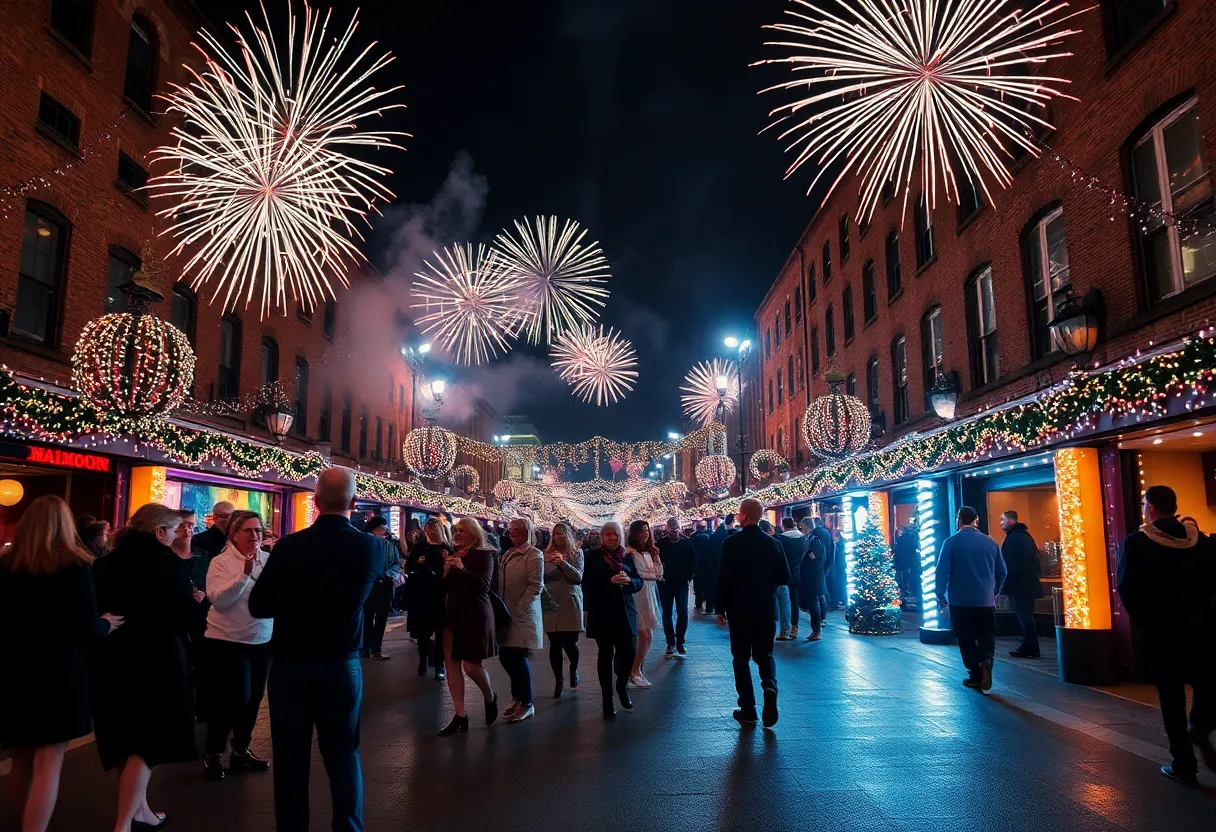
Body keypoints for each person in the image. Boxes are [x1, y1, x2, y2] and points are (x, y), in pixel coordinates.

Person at [247, 468, 383, 832]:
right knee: (343, 756)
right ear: (354, 504)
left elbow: (258, 605)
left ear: (316, 502)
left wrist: (290, 603)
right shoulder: (371, 547)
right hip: (341, 664)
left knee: (290, 760)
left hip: (290, 665)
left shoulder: (290, 546)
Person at [0, 496, 122, 832]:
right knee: (49, 766)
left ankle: (22, 821)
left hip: (14, 672)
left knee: (20, 762)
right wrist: (106, 624)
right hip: (60, 672)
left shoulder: (7, 565)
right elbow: (85, 627)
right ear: (66, 525)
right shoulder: (75, 565)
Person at [91, 503, 199, 832]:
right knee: (148, 743)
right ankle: (124, 823)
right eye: (174, 529)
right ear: (159, 531)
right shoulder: (168, 564)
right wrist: (194, 604)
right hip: (158, 661)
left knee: (125, 737)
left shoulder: (106, 563)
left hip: (111, 660)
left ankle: (141, 810)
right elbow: (182, 617)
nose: (178, 534)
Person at [1117, 485, 1216, 784]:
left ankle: (1183, 763)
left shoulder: (1137, 543)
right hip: (1203, 629)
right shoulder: (1202, 543)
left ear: (1150, 507)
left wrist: (1148, 621)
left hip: (1162, 633)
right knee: (1209, 684)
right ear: (1174, 506)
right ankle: (1200, 725)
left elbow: (1127, 588)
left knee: (1171, 698)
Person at [201, 510, 273, 782]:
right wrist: (243, 576)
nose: (254, 535)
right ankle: (214, 750)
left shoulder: (268, 560)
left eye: (258, 530)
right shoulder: (220, 562)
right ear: (233, 533)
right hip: (227, 640)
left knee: (254, 698)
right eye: (248, 530)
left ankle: (241, 749)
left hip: (260, 638)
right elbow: (218, 599)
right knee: (233, 697)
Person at [717, 498, 789, 728]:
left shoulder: (731, 543)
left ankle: (748, 708)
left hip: (739, 609)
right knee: (765, 654)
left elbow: (724, 578)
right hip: (766, 608)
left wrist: (720, 607)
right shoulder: (773, 543)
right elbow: (784, 577)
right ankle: (769, 685)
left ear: (745, 515)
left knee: (741, 658)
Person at [437, 517, 501, 735]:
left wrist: (462, 568)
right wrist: (445, 571)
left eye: (461, 531)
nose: (456, 534)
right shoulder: (454, 555)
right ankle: (460, 714)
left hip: (474, 616)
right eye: (455, 531)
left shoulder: (485, 554)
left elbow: (482, 586)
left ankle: (490, 695)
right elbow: (445, 587)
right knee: (452, 664)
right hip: (451, 616)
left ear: (474, 534)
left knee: (471, 667)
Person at [935, 506, 1007, 694]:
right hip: (985, 600)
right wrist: (995, 591)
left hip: (960, 600)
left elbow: (942, 571)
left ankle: (975, 674)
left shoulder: (951, 542)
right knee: (986, 634)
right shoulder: (991, 543)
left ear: (959, 520)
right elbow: (1002, 572)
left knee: (965, 637)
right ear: (976, 521)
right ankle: (987, 661)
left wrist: (940, 594)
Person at [583, 521, 643, 719]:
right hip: (603, 612)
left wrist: (629, 582)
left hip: (625, 611)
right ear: (602, 537)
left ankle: (621, 685)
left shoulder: (626, 556)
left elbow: (638, 581)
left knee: (629, 650)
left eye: (615, 534)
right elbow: (587, 585)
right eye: (608, 534)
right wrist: (609, 582)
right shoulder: (592, 556)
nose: (612, 538)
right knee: (605, 654)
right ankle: (607, 700)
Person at [496, 517, 544, 723]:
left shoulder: (534, 555)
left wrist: (520, 608)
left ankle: (527, 703)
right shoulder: (507, 553)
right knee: (506, 656)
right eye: (510, 528)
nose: (512, 532)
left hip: (521, 616)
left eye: (517, 529)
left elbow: (536, 585)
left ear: (527, 532)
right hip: (506, 613)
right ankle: (518, 697)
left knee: (516, 657)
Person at [405, 517, 452, 680]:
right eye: (428, 529)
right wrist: (418, 565)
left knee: (440, 633)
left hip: (439, 595)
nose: (430, 532)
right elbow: (409, 567)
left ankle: (439, 664)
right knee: (423, 632)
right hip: (422, 595)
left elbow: (449, 572)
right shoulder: (420, 547)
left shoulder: (445, 548)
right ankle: (423, 660)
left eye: (433, 529)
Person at [543, 522, 584, 698]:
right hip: (551, 601)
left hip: (570, 601)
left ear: (567, 535)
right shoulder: (544, 555)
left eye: (561, 533)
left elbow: (578, 577)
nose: (558, 537)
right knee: (555, 644)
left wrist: (563, 563)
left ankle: (573, 668)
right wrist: (551, 563)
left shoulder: (577, 553)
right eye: (555, 534)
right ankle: (558, 680)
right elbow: (542, 576)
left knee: (570, 643)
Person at [998, 510, 1044, 659]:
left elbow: (1012, 566)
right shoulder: (1025, 537)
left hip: (1020, 587)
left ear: (1011, 521)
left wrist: (1007, 586)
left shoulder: (1014, 539)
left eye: (1002, 520)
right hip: (1028, 585)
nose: (1000, 523)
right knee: (1026, 615)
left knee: (1024, 616)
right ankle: (1029, 645)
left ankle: (1030, 646)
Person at [625, 519, 663, 688]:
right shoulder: (630, 553)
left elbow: (658, 573)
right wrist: (652, 572)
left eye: (646, 531)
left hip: (649, 593)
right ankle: (633, 671)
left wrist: (656, 559)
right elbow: (642, 572)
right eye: (641, 531)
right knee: (644, 635)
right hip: (638, 594)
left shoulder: (650, 552)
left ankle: (637, 670)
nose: (644, 534)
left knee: (648, 635)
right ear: (634, 533)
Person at [361, 516, 403, 661]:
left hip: (384, 585)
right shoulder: (364, 544)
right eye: (380, 528)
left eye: (384, 527)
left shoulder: (390, 545)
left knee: (381, 618)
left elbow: (397, 563)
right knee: (367, 618)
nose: (383, 530)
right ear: (372, 530)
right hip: (368, 585)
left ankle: (376, 649)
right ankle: (365, 648)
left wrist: (388, 575)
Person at [657, 517, 696, 657]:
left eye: (676, 528)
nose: (674, 531)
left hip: (681, 583)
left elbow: (693, 560)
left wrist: (689, 576)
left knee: (682, 612)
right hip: (665, 583)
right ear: (667, 528)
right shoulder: (661, 544)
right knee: (667, 613)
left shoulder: (686, 543)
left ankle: (679, 641)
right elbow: (656, 562)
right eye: (671, 528)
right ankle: (670, 642)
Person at [776, 518, 807, 640]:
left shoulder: (782, 539)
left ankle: (785, 629)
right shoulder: (802, 538)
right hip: (797, 573)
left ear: (784, 526)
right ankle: (795, 627)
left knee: (784, 602)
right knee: (795, 601)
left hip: (785, 574)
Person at [798, 518, 829, 641]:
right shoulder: (810, 539)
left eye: (802, 526)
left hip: (813, 577)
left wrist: (809, 555)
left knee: (813, 604)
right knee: (812, 604)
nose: (801, 528)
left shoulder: (814, 540)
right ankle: (815, 630)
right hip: (810, 577)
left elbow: (815, 558)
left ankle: (816, 630)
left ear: (807, 526)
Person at [811, 517, 838, 610]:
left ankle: (825, 607)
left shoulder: (817, 533)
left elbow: (821, 549)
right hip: (828, 562)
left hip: (821, 563)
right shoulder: (827, 532)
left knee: (821, 588)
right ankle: (831, 603)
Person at [690, 520, 714, 614]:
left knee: (698, 586)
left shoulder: (693, 537)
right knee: (709, 587)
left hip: (697, 566)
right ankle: (709, 607)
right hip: (709, 566)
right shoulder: (711, 537)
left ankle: (698, 604)